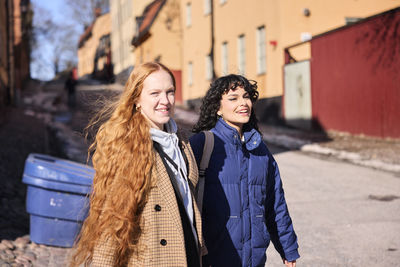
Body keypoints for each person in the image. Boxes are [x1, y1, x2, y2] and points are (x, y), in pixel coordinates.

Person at [70, 62, 206, 267]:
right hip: (153, 260)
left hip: (188, 255)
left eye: (170, 92)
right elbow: (112, 222)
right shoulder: (128, 147)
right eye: (155, 93)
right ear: (137, 99)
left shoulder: (181, 141)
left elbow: (189, 203)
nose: (165, 101)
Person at [190, 74, 299, 267]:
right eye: (233, 98)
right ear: (217, 108)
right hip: (213, 259)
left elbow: (276, 204)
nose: (243, 103)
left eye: (246, 96)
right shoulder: (202, 145)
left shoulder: (260, 149)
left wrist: (287, 248)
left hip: (254, 260)